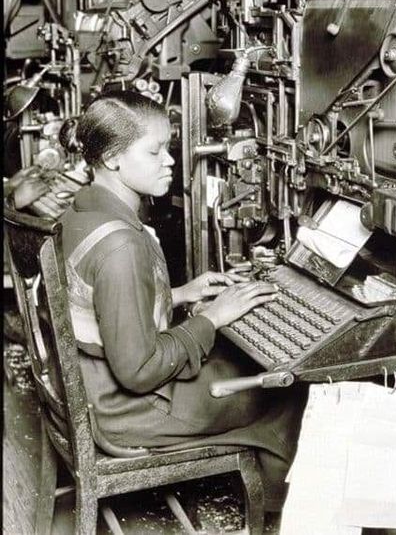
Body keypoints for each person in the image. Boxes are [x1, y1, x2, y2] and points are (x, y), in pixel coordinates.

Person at [59, 90, 305, 512]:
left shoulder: (84, 211)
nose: (169, 161)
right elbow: (138, 371)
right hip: (127, 412)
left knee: (239, 364)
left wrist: (178, 295)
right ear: (114, 159)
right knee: (285, 389)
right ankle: (282, 508)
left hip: (92, 392)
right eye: (155, 152)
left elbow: (100, 303)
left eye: (167, 149)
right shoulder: (122, 246)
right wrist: (210, 317)